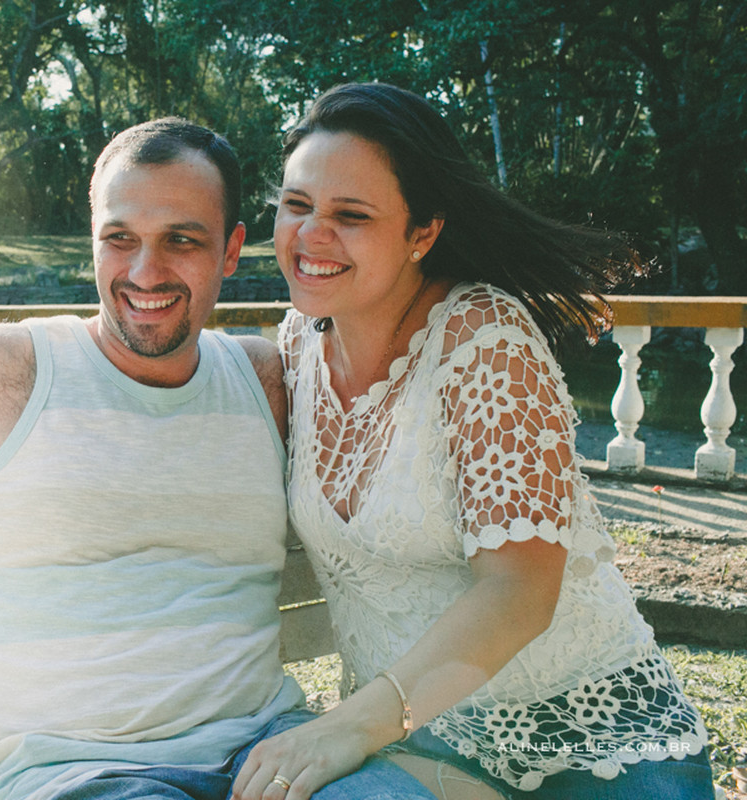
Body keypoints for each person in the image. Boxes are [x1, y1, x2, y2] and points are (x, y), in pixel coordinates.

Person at [0, 118, 453, 800]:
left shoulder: (267, 382)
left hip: (270, 755)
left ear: (232, 250)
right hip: (72, 773)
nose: (146, 272)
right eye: (120, 239)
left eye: (182, 240)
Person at [231, 82, 714, 800]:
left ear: (422, 233)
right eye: (297, 206)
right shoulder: (298, 343)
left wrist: (347, 727)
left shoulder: (484, 341)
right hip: (422, 750)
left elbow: (520, 591)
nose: (310, 235)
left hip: (584, 752)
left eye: (351, 215)